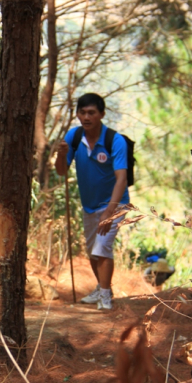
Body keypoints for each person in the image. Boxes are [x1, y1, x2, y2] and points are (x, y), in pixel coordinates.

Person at [55, 93, 129, 310]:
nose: (86, 117)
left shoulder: (115, 141)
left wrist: (109, 212)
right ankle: (101, 286)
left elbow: (121, 178)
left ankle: (105, 295)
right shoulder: (74, 137)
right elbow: (61, 171)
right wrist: (61, 155)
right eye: (82, 112)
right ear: (78, 114)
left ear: (101, 114)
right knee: (92, 251)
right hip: (89, 204)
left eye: (91, 113)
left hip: (115, 203)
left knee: (102, 247)